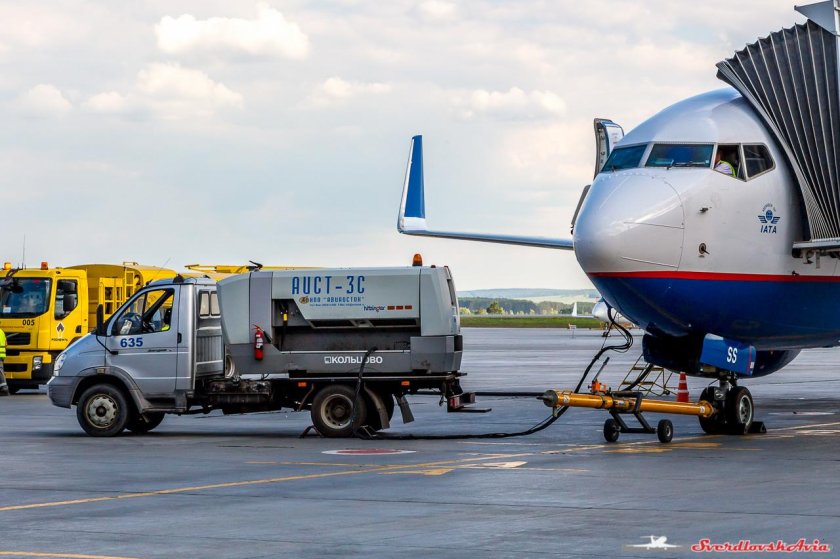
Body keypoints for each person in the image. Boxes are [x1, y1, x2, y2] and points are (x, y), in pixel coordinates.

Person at [0, 327, 9, 396]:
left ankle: (4, 388)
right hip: (2, 354)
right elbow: (6, 344)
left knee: (0, 371)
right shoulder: (2, 332)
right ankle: (3, 387)